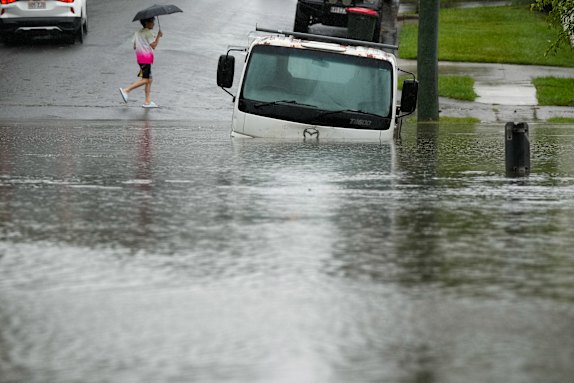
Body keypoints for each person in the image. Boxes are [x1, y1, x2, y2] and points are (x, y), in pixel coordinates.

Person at [119, 17, 163, 108]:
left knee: (149, 79)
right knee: (146, 79)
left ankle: (147, 101)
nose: (153, 24)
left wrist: (144, 43)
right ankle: (126, 90)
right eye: (152, 22)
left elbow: (135, 46)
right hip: (146, 59)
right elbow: (154, 46)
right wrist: (158, 36)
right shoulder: (148, 32)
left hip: (140, 58)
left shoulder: (137, 32)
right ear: (147, 23)